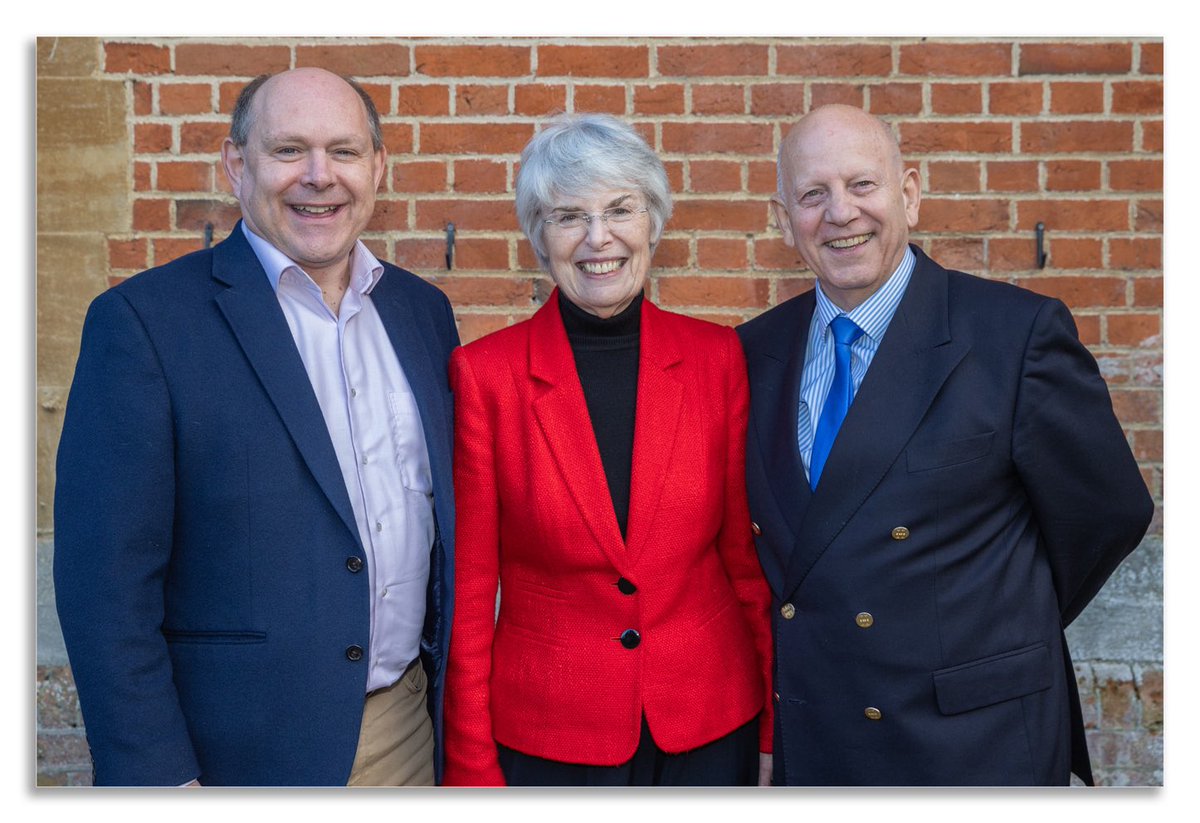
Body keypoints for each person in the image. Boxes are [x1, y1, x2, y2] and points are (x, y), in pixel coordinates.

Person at [53, 68, 459, 786]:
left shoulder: (421, 313)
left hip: (405, 735)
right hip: (234, 758)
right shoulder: (146, 323)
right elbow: (106, 587)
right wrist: (159, 777)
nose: (318, 176)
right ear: (237, 165)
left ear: (378, 167)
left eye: (344, 150)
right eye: (288, 150)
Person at [737, 104, 1153, 786]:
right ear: (784, 219)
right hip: (820, 744)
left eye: (863, 185)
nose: (841, 213)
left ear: (912, 191)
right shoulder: (754, 353)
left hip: (973, 739)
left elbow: (1108, 514)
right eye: (814, 194)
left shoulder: (1013, 336)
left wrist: (987, 618)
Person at [442, 113, 773, 787]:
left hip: (709, 723)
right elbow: (471, 595)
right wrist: (472, 768)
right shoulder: (486, 377)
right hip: (551, 734)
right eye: (568, 216)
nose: (599, 238)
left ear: (653, 220)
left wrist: (774, 728)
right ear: (539, 235)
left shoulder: (717, 359)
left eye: (620, 208)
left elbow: (745, 564)